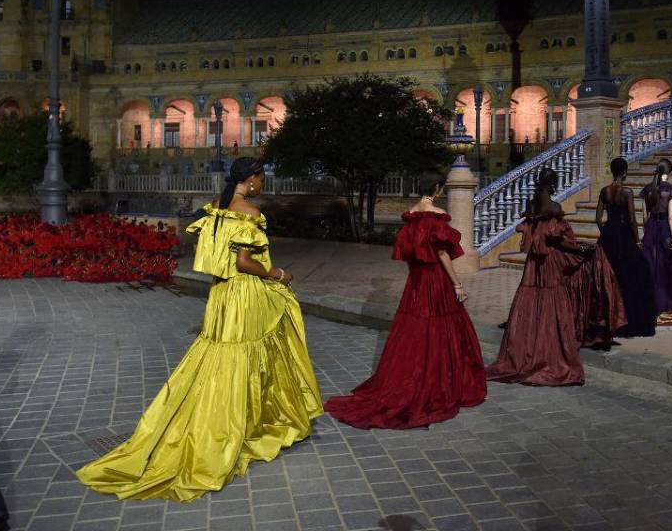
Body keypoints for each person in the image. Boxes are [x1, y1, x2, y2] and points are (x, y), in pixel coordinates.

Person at [77, 157, 323, 502]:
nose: (262, 183)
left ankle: (235, 418)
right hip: (244, 294)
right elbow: (243, 262)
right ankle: (237, 426)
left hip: (221, 295)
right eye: (260, 178)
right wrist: (278, 274)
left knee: (221, 355)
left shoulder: (216, 208)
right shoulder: (248, 212)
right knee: (250, 354)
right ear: (250, 180)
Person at [325, 171, 486, 428]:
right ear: (436, 189)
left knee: (415, 329)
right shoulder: (435, 216)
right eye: (441, 188)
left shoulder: (411, 216)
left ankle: (413, 372)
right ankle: (437, 379)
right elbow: (443, 254)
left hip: (415, 282)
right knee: (440, 326)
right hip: (435, 280)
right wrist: (457, 284)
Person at [487, 168, 590, 386]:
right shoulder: (554, 207)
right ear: (552, 185)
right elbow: (557, 240)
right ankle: (548, 356)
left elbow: (538, 235)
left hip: (533, 263)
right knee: (552, 305)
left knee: (530, 304)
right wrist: (579, 249)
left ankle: (526, 352)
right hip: (549, 261)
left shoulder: (531, 205)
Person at [594, 157, 656, 337]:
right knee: (635, 274)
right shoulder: (627, 192)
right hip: (624, 236)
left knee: (611, 276)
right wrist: (637, 240)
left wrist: (605, 232)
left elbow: (598, 218)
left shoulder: (604, 191)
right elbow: (631, 219)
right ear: (625, 172)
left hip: (608, 235)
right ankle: (629, 319)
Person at [641, 158, 672, 314]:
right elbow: (671, 218)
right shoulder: (670, 190)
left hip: (651, 229)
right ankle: (670, 300)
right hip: (664, 230)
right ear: (669, 172)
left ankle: (651, 301)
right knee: (669, 266)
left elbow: (644, 217)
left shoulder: (648, 189)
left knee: (652, 266)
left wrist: (647, 232)